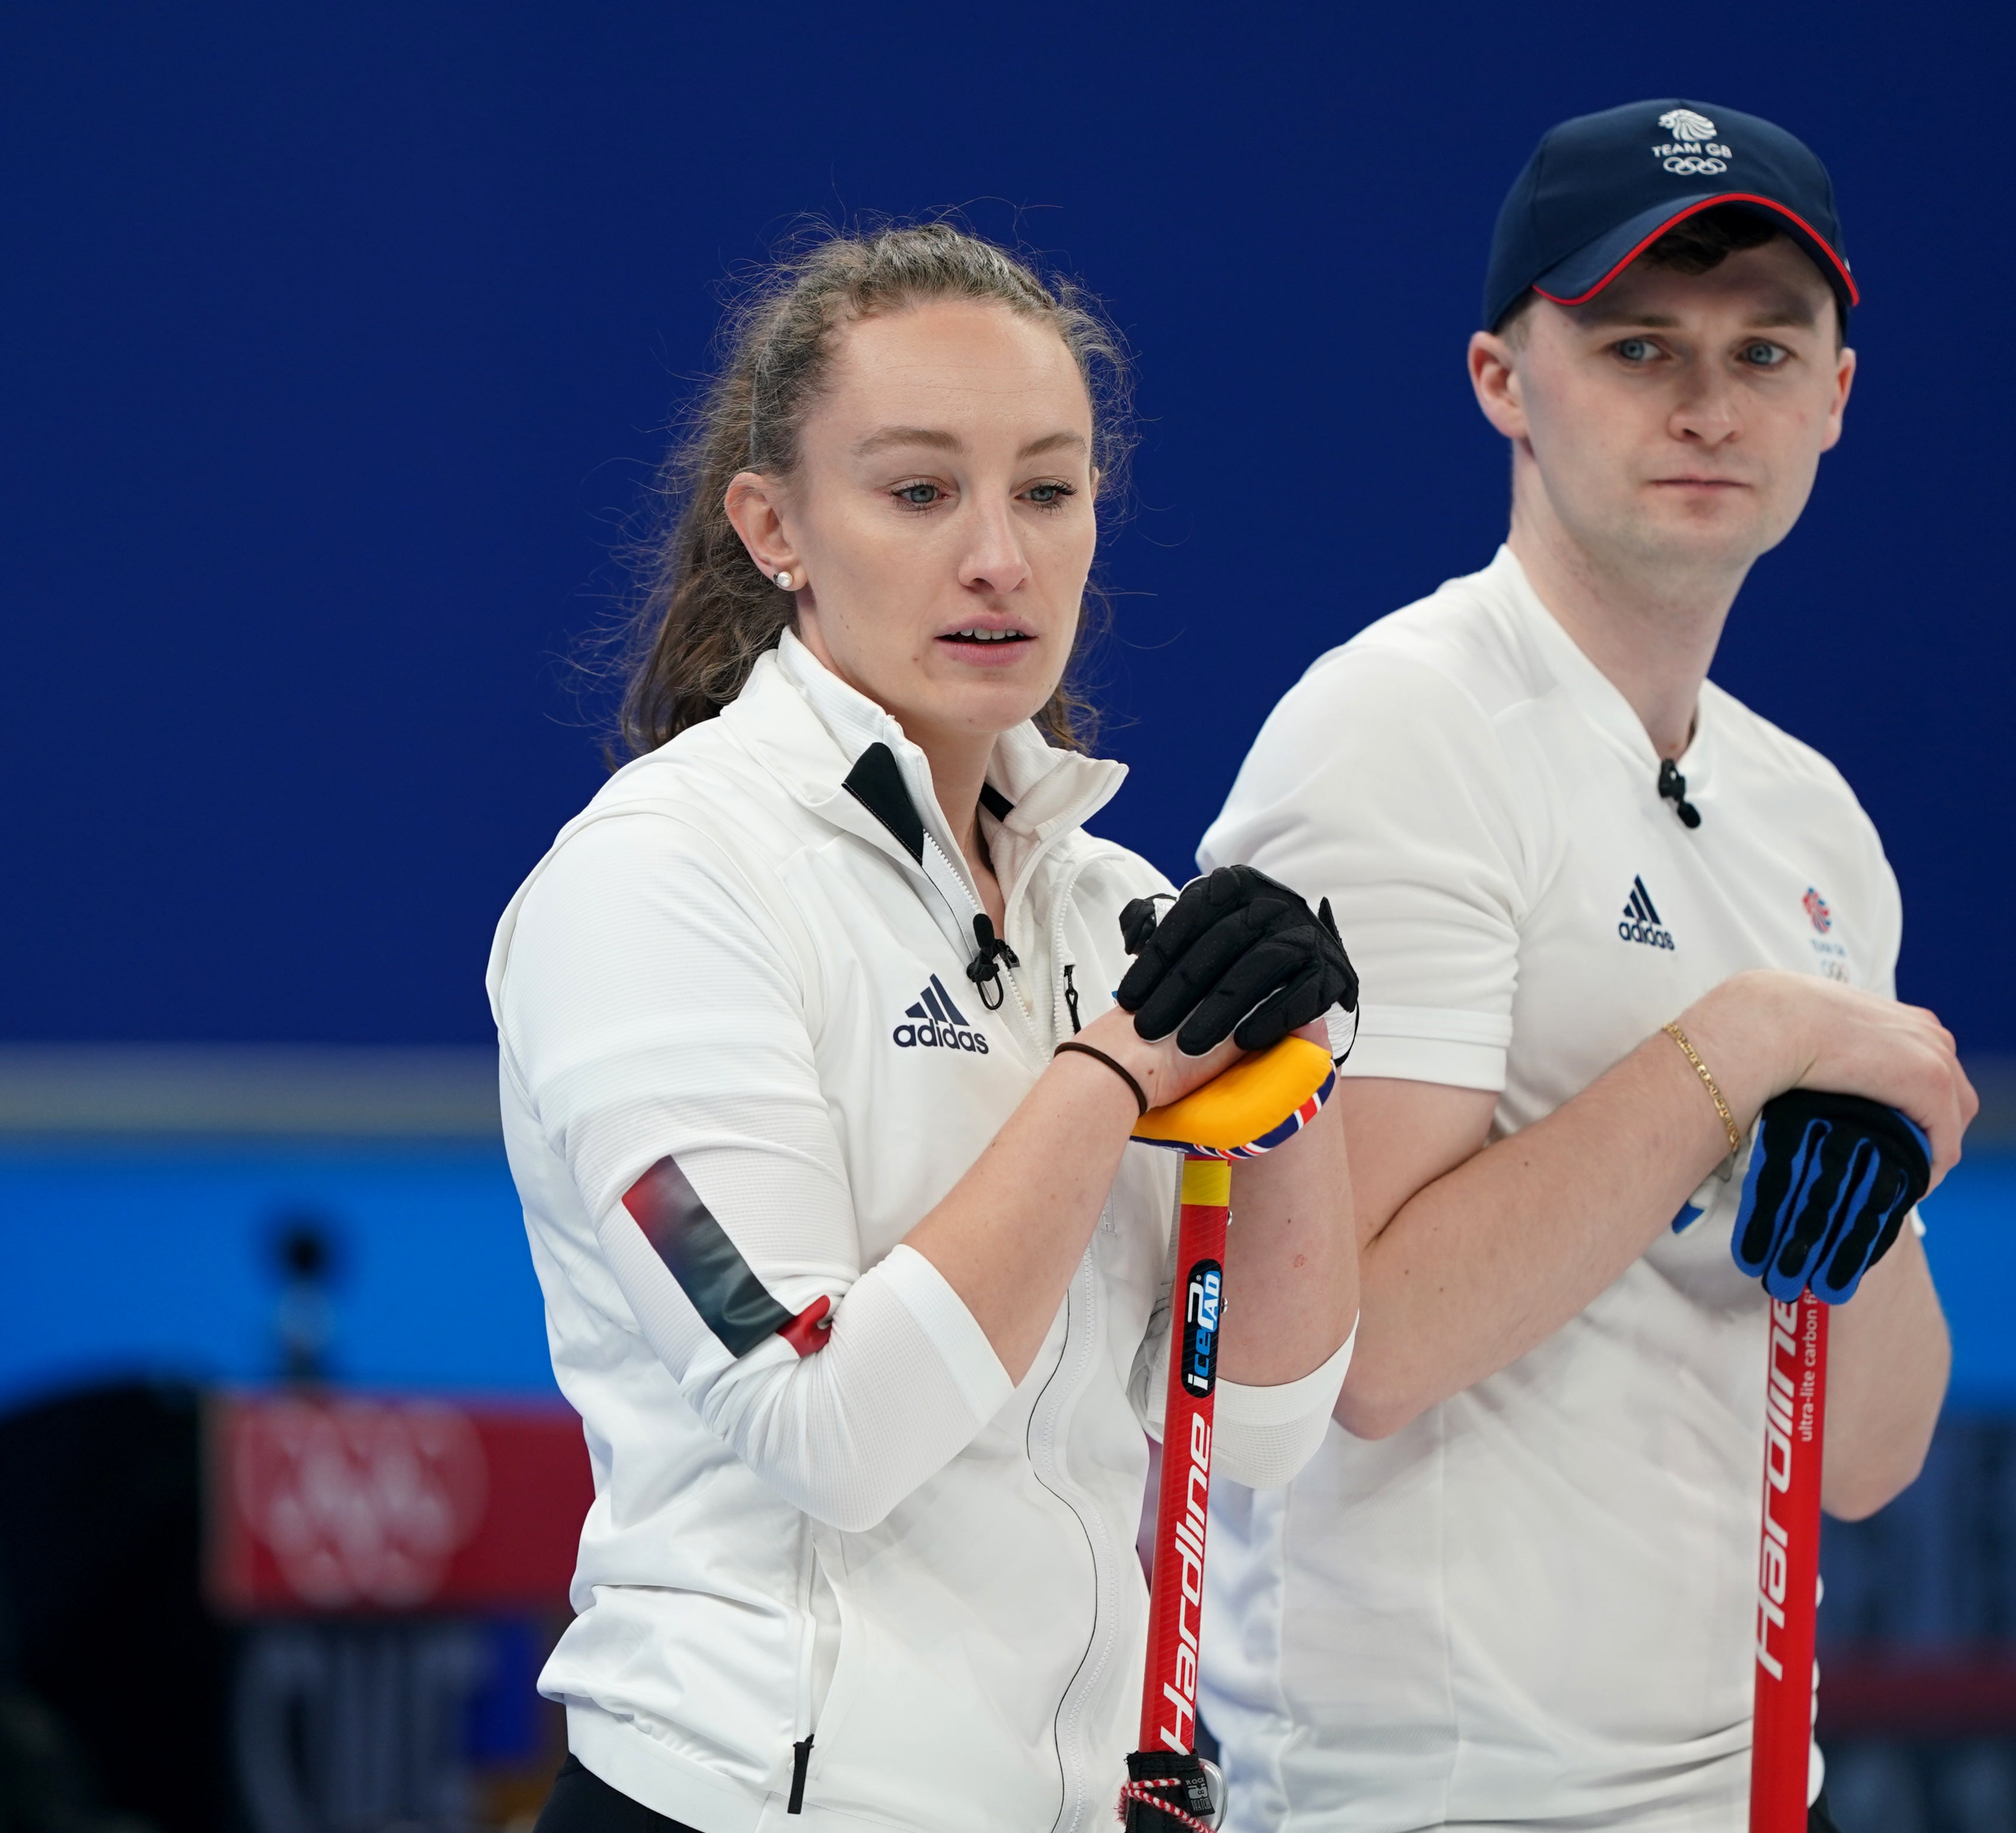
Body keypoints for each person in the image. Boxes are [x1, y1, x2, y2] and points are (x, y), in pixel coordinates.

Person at [487, 224, 1362, 1832]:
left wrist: (1295, 1081)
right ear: (775, 526)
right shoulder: (651, 889)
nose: (998, 557)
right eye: (916, 491)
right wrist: (1110, 1075)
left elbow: (1258, 1428)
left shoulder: (1106, 906)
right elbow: (821, 1419)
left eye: (1046, 489)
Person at [1194, 101, 1979, 1830]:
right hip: (1419, 1797)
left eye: (1764, 349)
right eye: (1635, 346)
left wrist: (1873, 1177)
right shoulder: (1396, 734)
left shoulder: (1810, 824)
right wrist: (1737, 1048)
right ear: (1500, 379)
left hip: (1746, 1788)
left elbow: (1865, 1457)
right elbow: (1359, 1353)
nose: (1706, 403)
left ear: (1836, 398)